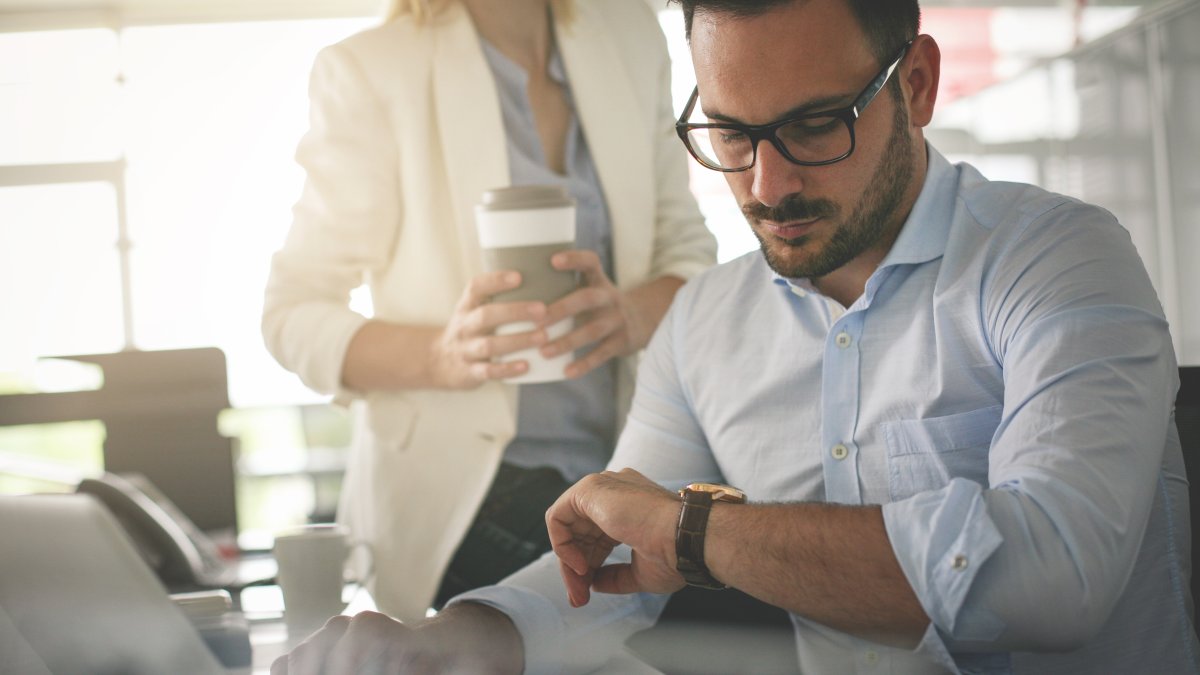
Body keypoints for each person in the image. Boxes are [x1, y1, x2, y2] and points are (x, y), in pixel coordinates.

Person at [272, 0, 1200, 673]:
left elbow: (1050, 580)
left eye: (811, 126)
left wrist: (700, 532)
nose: (765, 183)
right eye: (729, 132)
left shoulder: (1060, 258)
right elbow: (618, 567)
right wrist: (452, 641)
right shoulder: (707, 323)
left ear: (914, 84)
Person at [261, 0, 717, 625]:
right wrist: (444, 357)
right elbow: (292, 313)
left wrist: (633, 316)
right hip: (465, 495)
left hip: (625, 467)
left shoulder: (629, 33)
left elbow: (688, 252)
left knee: (738, 603)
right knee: (634, 621)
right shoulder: (373, 69)